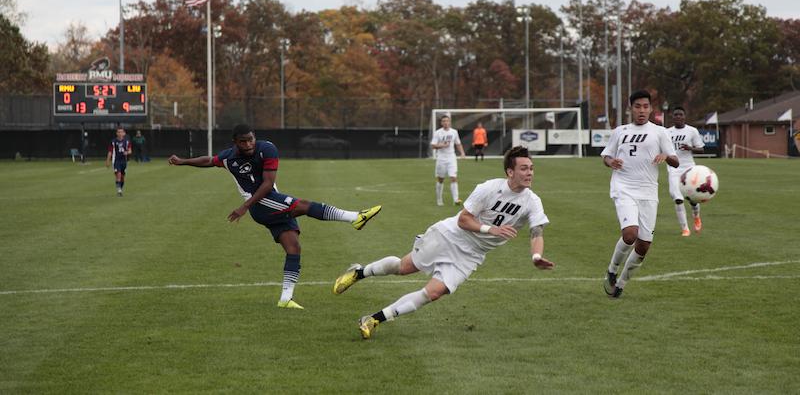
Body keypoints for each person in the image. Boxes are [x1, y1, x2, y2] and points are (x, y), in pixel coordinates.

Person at [332, 146, 554, 339]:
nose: (529, 172)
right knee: (404, 267)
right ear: (510, 171)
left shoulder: (532, 201)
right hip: (450, 235)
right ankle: (359, 272)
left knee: (434, 293)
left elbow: (537, 231)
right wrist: (490, 229)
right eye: (524, 168)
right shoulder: (489, 188)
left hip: (472, 255)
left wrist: (536, 257)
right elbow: (463, 220)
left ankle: (373, 319)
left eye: (531, 168)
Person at [167, 124, 382, 309]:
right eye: (243, 142)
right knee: (304, 206)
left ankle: (286, 298)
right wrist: (183, 161)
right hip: (260, 205)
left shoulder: (267, 149)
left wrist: (243, 206)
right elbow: (209, 160)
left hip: (269, 199)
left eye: (251, 139)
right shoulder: (229, 158)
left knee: (294, 248)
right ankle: (355, 217)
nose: (249, 144)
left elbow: (268, 183)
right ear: (235, 142)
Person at [601, 90, 678, 299]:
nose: (642, 110)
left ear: (651, 109)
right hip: (623, 187)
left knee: (643, 245)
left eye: (645, 106)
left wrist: (666, 156)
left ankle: (621, 283)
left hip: (648, 193)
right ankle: (612, 269)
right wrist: (611, 162)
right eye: (637, 106)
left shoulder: (660, 132)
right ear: (631, 109)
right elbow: (606, 156)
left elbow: (676, 160)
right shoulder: (620, 131)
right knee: (630, 234)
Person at [666, 106, 705, 236]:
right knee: (677, 197)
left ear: (684, 116)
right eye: (675, 114)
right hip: (674, 168)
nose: (678, 117)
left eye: (680, 114)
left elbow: (701, 149)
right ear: (672, 117)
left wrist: (690, 147)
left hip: (689, 168)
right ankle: (685, 228)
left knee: (692, 198)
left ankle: (696, 217)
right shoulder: (667, 132)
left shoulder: (692, 131)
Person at [430, 114, 467, 206]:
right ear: (441, 123)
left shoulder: (454, 132)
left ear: (450, 122)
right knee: (440, 179)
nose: (446, 123)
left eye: (447, 121)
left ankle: (456, 199)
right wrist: (442, 145)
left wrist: (462, 153)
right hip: (441, 158)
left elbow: (458, 143)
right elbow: (433, 145)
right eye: (444, 121)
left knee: (453, 177)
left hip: (451, 157)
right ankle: (439, 199)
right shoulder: (438, 133)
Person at [106, 127, 132, 196]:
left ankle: (120, 188)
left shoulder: (127, 141)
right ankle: (119, 191)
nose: (120, 133)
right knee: (118, 174)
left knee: (122, 177)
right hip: (116, 160)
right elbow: (110, 151)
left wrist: (127, 152)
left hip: (124, 161)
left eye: (121, 132)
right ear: (116, 133)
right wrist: (108, 160)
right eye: (118, 132)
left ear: (124, 133)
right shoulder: (113, 142)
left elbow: (130, 150)